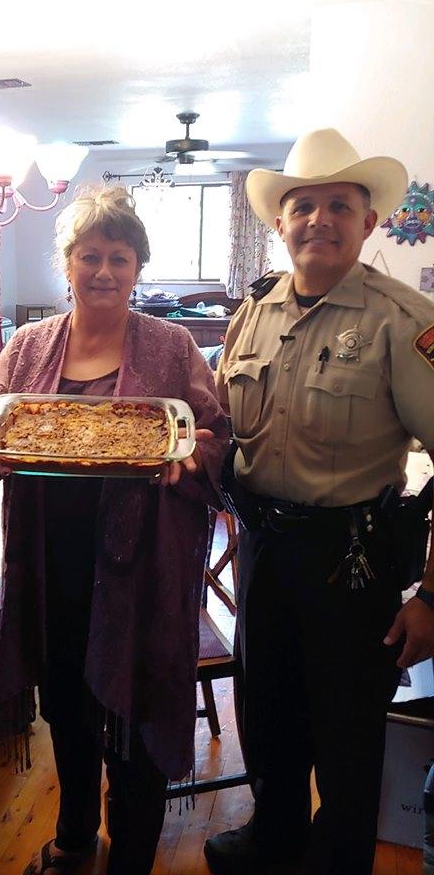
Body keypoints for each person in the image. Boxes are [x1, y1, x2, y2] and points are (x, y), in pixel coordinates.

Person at [0, 186, 230, 875]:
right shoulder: (29, 347)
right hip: (50, 560)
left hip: (141, 567)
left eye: (119, 258)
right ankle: (74, 834)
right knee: (65, 702)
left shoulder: (174, 348)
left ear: (138, 266)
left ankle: (133, 859)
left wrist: (187, 457)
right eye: (90, 256)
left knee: (134, 713)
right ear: (68, 263)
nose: (104, 272)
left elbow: (214, 434)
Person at [207, 128, 434, 875]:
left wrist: (433, 595)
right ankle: (271, 838)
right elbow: (222, 425)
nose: (320, 220)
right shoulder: (255, 311)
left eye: (341, 204)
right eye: (303, 205)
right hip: (263, 550)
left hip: (352, 561)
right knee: (267, 710)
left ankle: (335, 860)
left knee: (345, 733)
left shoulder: (402, 322)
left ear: (368, 223)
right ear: (280, 222)